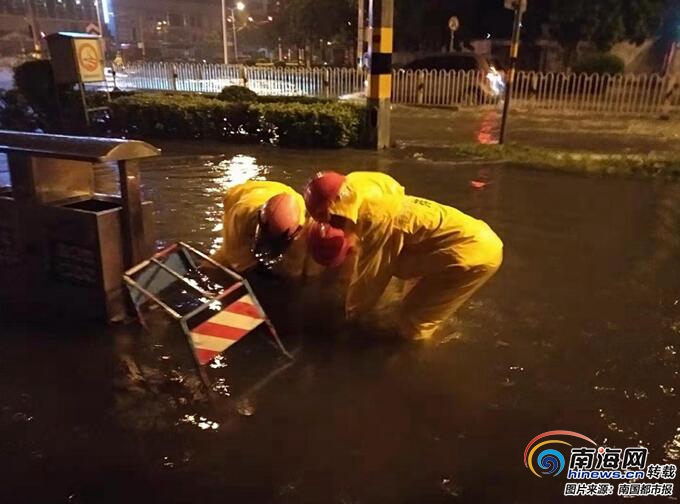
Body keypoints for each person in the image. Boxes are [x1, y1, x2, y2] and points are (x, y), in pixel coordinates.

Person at [305, 174, 503, 341]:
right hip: (460, 240)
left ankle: (420, 360)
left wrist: (349, 319)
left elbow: (370, 279)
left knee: (411, 325)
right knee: (407, 295)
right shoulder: (362, 189)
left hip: (471, 253)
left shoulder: (373, 220)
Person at [210, 180, 309, 277]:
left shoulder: (299, 220)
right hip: (242, 193)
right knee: (214, 267)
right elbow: (237, 263)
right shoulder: (238, 217)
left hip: (282, 191)